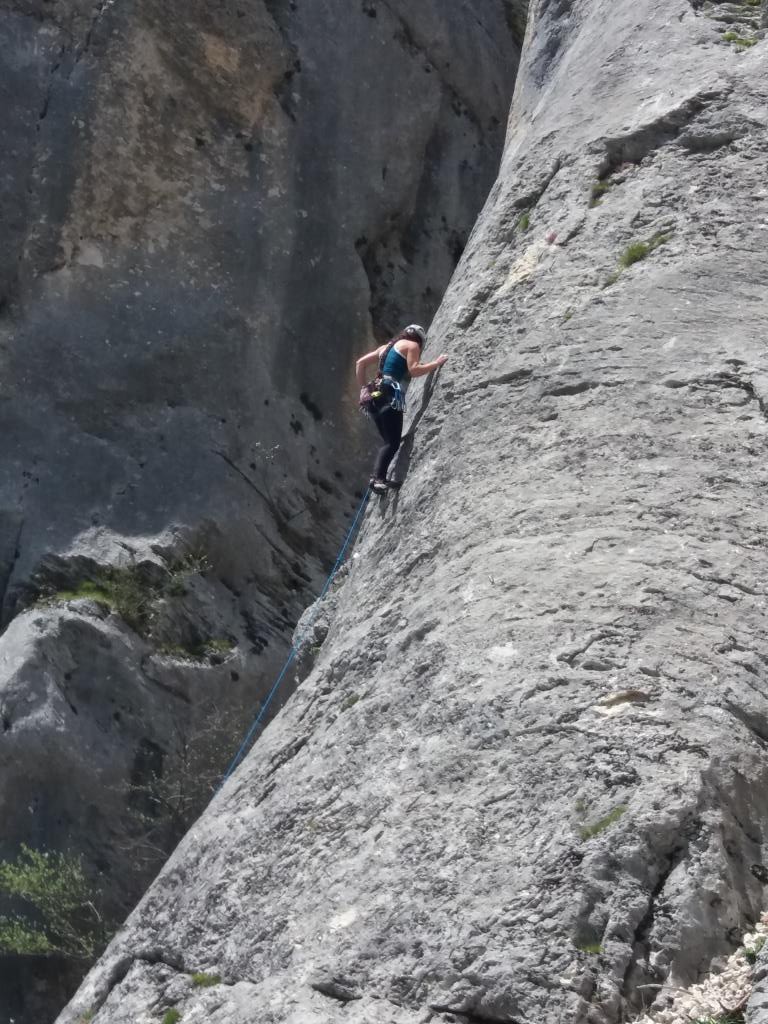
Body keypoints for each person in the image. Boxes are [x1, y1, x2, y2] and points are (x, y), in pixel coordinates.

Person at [355, 324, 448, 494]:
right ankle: (377, 479)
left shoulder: (385, 348)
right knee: (392, 443)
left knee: (388, 442)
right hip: (389, 394)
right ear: (419, 340)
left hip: (373, 397)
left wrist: (362, 388)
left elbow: (360, 363)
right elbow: (414, 370)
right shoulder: (411, 346)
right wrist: (436, 363)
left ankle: (379, 477)